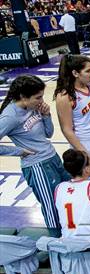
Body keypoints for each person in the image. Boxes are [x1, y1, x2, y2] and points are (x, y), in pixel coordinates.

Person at [0, 75, 70, 236]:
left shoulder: (34, 107)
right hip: (37, 166)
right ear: (24, 97)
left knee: (66, 197)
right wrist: (18, 151)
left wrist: (47, 116)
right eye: (37, 97)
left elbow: (49, 134)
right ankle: (56, 241)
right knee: (51, 206)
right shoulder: (9, 116)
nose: (41, 100)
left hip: (52, 157)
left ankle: (70, 236)